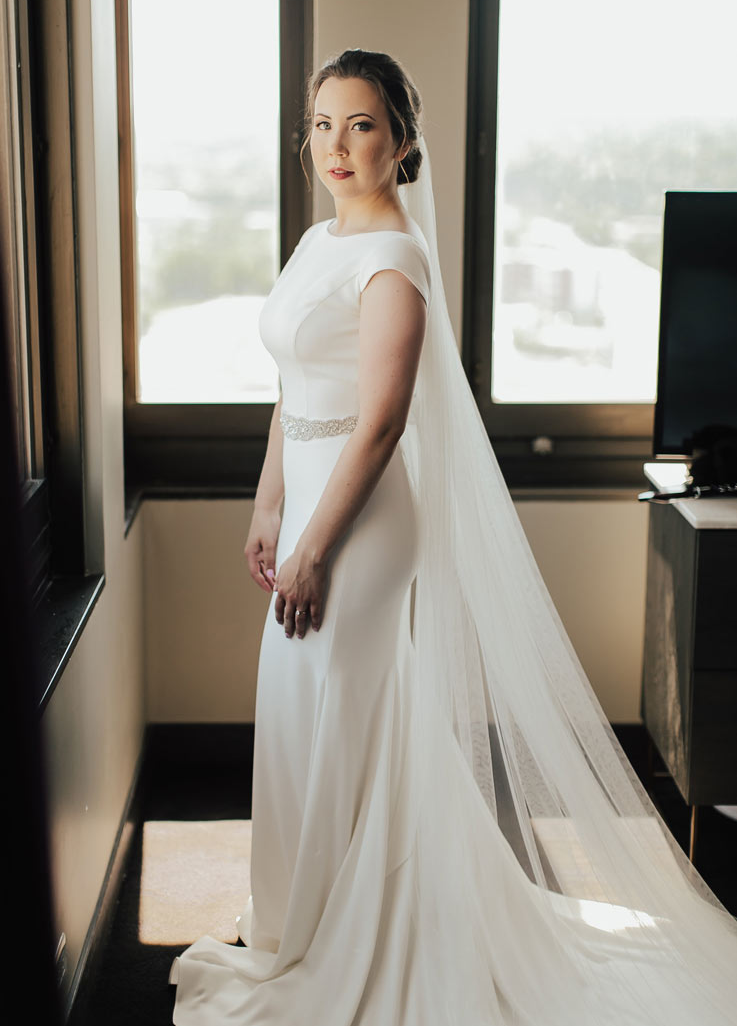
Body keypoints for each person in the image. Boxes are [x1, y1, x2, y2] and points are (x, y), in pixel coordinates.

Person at [169, 50, 737, 1025]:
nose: (338, 146)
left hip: (361, 523)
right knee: (306, 717)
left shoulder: (393, 256)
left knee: (341, 718)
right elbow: (292, 392)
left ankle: (347, 934)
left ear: (400, 139)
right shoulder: (319, 244)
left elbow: (381, 423)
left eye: (360, 125)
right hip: (305, 502)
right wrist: (268, 505)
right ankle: (298, 923)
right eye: (322, 126)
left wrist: (314, 547)